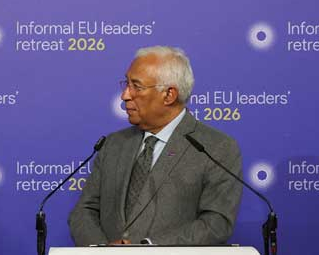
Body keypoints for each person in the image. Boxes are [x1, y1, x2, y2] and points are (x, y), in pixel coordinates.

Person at [68, 46, 242, 245]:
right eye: (126, 84)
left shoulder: (215, 147)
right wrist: (104, 251)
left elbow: (216, 224)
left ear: (169, 95)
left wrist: (148, 248)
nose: (125, 95)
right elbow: (84, 211)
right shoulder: (113, 145)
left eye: (137, 86)